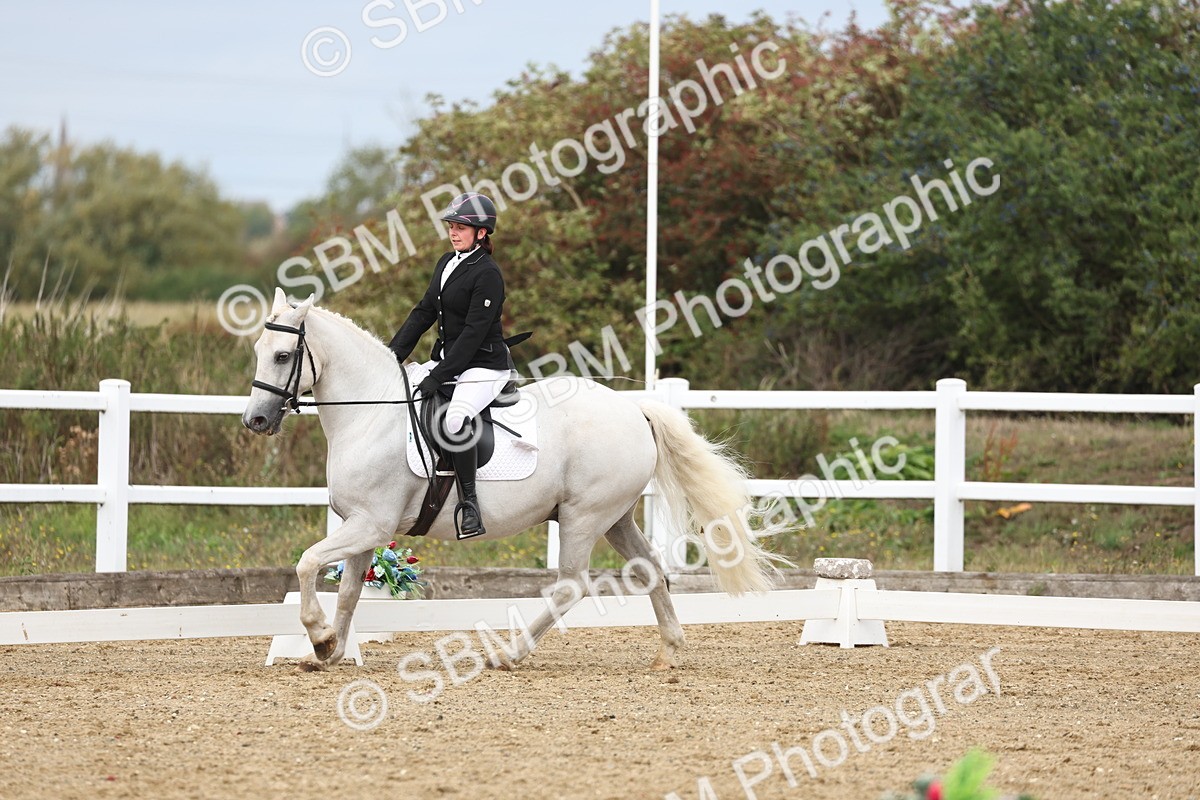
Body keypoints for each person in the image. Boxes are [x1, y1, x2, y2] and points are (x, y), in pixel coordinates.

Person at [388, 192, 511, 538]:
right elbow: (423, 313)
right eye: (452, 226)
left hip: (483, 365)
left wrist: (438, 375)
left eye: (461, 227)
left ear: (482, 233)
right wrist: (392, 356)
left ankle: (469, 504)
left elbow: (472, 335)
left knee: (455, 419)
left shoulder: (488, 274)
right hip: (449, 361)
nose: (454, 232)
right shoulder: (446, 262)